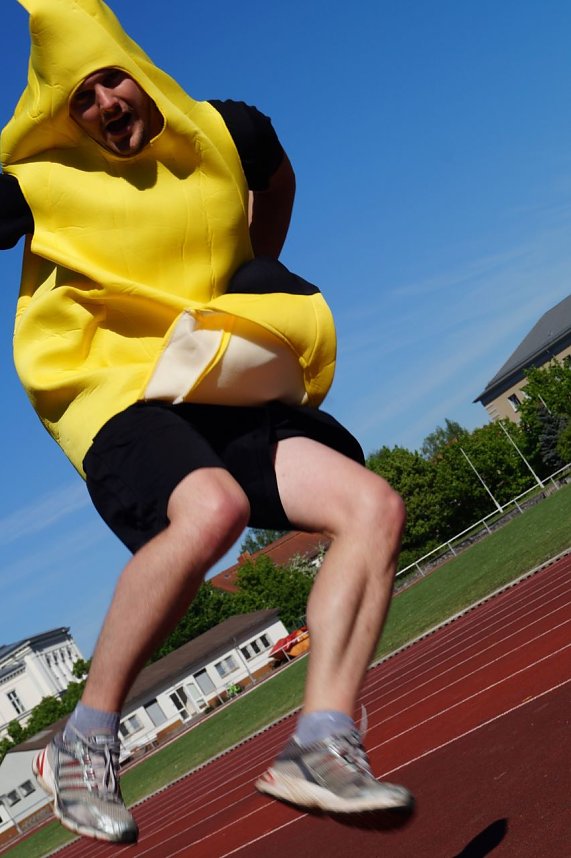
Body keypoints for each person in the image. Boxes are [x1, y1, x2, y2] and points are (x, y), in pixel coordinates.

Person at [1, 0, 414, 844]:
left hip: (211, 379)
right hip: (109, 388)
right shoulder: (37, 184)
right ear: (61, 115)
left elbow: (278, 176)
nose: (106, 105)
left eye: (111, 79)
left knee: (372, 507)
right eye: (80, 99)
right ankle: (82, 741)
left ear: (138, 67)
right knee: (212, 510)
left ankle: (323, 742)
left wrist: (255, 270)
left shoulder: (229, 131)